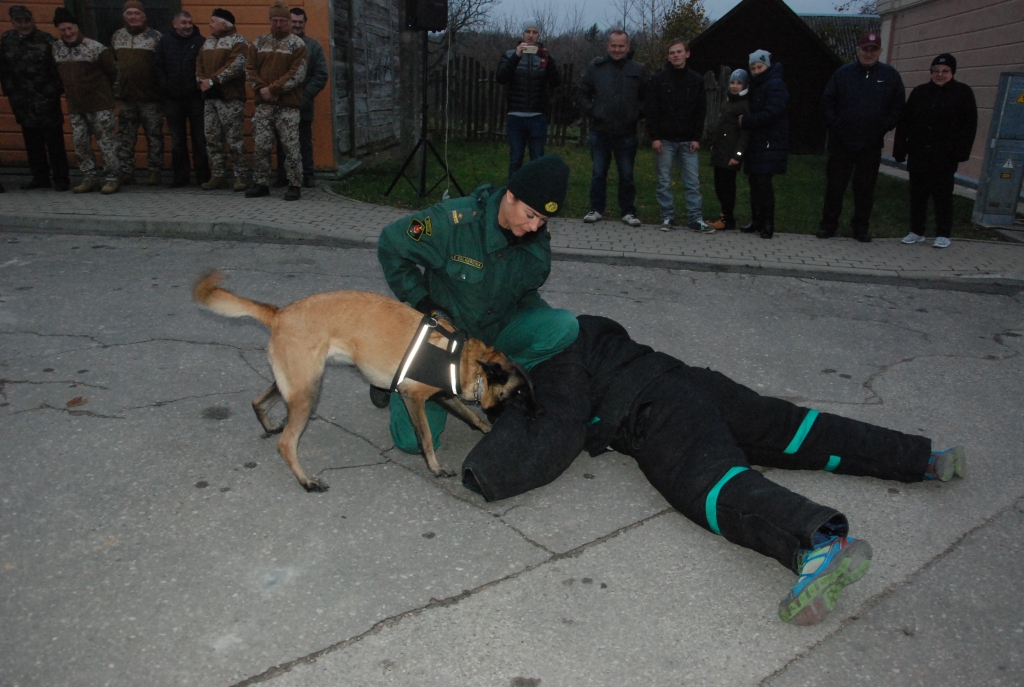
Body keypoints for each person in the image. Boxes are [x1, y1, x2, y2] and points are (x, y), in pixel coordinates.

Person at [460, 313, 966, 626]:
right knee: (797, 430)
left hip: (654, 410)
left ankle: (818, 543)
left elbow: (555, 437)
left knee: (709, 485)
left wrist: (485, 468)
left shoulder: (552, 363)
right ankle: (923, 458)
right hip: (692, 380)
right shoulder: (583, 326)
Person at [376, 154, 580, 455]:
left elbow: (527, 293)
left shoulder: (535, 241)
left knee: (563, 327)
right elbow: (391, 244)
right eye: (530, 214)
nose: (535, 226)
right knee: (412, 443)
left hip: (493, 333)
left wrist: (540, 327)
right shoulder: (453, 223)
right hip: (442, 342)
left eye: (543, 220)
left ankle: (491, 383)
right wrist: (423, 302)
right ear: (511, 196)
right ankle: (391, 378)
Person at [818, 32, 905, 242]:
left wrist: (883, 126)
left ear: (879, 52)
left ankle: (861, 228)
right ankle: (828, 225)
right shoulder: (843, 73)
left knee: (865, 188)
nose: (869, 53)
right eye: (865, 49)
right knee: (835, 186)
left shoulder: (890, 76)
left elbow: (898, 107)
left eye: (873, 50)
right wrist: (838, 124)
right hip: (842, 142)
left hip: (870, 143)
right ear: (859, 50)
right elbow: (827, 102)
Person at [893, 53, 977, 250]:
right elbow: (905, 122)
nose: (940, 74)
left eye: (945, 71)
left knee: (943, 195)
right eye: (936, 71)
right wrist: (900, 148)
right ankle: (916, 231)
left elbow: (969, 125)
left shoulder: (963, 93)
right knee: (917, 194)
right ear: (930, 72)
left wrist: (962, 151)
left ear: (952, 72)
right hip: (919, 152)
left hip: (945, 155)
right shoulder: (920, 92)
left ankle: (943, 233)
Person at [578, 30, 649, 227]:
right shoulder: (596, 68)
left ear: (628, 47)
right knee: (599, 172)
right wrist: (593, 111)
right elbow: (582, 94)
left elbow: (647, 98)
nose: (617, 50)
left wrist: (635, 114)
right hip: (600, 131)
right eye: (613, 46)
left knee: (626, 174)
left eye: (621, 46)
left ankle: (628, 211)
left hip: (626, 132)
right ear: (608, 46)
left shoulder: (639, 69)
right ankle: (596, 209)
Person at [52, 7, 121, 195]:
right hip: (75, 106)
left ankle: (112, 178)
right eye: (63, 29)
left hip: (100, 106)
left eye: (70, 28)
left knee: (106, 143)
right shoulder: (56, 49)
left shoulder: (96, 48)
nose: (67, 33)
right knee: (81, 144)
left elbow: (113, 73)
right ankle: (89, 177)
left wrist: (109, 96)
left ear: (77, 27)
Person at [0, 5, 70, 192]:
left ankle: (61, 178)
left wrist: (52, 92)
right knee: (32, 142)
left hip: (46, 100)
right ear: (12, 22)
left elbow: (60, 71)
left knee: (54, 142)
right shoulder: (7, 40)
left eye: (26, 20)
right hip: (22, 101)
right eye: (19, 21)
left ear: (32, 20)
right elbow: (4, 69)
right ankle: (40, 177)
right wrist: (10, 91)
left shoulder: (48, 41)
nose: (23, 25)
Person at [245, 0, 307, 201]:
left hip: (287, 106)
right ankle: (261, 183)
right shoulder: (259, 42)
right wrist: (261, 89)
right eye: (275, 20)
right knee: (261, 145)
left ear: (289, 21)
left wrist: (273, 89)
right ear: (270, 20)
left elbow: (297, 73)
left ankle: (294, 184)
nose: (278, 24)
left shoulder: (297, 45)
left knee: (290, 147)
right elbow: (250, 69)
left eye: (282, 20)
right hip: (264, 105)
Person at [647, 38, 709, 232]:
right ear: (668, 56)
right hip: (665, 140)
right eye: (672, 52)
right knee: (664, 181)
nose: (675, 55)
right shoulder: (659, 80)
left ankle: (695, 219)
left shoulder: (696, 80)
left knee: (692, 182)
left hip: (688, 140)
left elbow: (701, 111)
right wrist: (654, 137)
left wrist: (697, 138)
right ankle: (667, 217)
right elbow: (652, 110)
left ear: (687, 54)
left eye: (679, 52)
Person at [495, 17, 561, 179]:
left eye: (534, 32)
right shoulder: (510, 54)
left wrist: (548, 59)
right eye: (528, 31)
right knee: (516, 159)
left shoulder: (544, 57)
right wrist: (516, 56)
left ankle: (534, 198)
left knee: (537, 160)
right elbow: (501, 78)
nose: (531, 35)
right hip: (515, 116)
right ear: (523, 34)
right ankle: (512, 199)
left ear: (539, 35)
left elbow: (556, 82)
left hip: (537, 117)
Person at [272, 7, 327, 189]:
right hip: (280, 103)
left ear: (305, 23)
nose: (296, 24)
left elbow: (320, 75)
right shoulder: (279, 44)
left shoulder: (313, 46)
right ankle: (282, 177)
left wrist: (303, 97)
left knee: (303, 142)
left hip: (302, 104)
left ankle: (308, 176)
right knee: (281, 143)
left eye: (300, 21)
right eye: (293, 21)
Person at [155, 10, 210, 188]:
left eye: (190, 22)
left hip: (195, 99)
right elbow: (158, 67)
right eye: (184, 23)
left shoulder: (200, 42)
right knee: (178, 141)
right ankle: (181, 177)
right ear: (175, 23)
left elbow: (205, 67)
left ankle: (203, 176)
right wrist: (166, 87)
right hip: (172, 99)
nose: (187, 26)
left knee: (199, 139)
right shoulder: (165, 41)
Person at [112, 0, 163, 186]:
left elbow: (162, 66)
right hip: (126, 98)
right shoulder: (118, 36)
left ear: (144, 16)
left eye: (136, 13)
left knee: (154, 136)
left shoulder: (155, 37)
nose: (133, 16)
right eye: (129, 13)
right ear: (124, 16)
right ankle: (126, 171)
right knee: (125, 137)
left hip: (150, 98)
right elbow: (114, 64)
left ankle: (155, 171)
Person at [197, 8, 248, 192]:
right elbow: (199, 64)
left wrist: (213, 80)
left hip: (230, 99)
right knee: (212, 138)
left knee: (233, 139)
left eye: (213, 21)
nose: (209, 25)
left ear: (224, 24)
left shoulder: (238, 41)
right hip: (210, 99)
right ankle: (217, 175)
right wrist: (201, 81)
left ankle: (240, 176)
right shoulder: (208, 42)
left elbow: (236, 65)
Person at [739, 50, 788, 240]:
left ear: (767, 66)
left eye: (759, 67)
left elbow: (773, 112)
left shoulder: (775, 84)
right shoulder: (756, 85)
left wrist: (748, 121)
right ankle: (757, 220)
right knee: (754, 183)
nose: (756, 71)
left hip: (770, 141)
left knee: (764, 184)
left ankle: (768, 223)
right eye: (753, 68)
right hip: (757, 141)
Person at [706, 69, 750, 231]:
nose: (735, 86)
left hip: (730, 154)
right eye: (732, 82)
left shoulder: (744, 105)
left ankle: (727, 219)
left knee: (727, 187)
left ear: (745, 85)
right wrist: (714, 145)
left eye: (739, 83)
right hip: (720, 151)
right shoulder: (729, 102)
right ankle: (724, 215)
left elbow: (744, 134)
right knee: (719, 185)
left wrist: (737, 155)